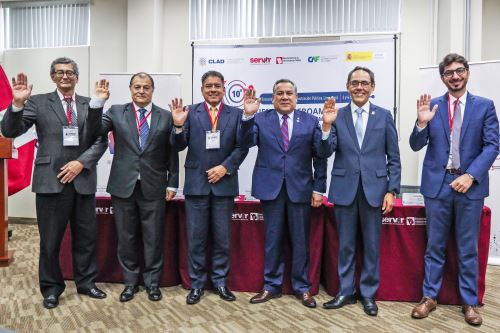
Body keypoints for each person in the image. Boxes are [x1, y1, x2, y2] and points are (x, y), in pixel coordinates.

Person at [0, 57, 109, 309]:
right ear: (52, 77)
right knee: (50, 240)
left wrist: (81, 163)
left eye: (70, 72)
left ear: (77, 77)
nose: (65, 76)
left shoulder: (90, 104)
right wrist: (16, 104)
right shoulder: (37, 102)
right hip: (50, 180)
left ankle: (86, 282)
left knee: (86, 237)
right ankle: (51, 288)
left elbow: (100, 139)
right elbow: (10, 131)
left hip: (82, 179)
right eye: (59, 72)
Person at [409, 53, 499, 326]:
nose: (455, 76)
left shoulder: (484, 106)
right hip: (437, 186)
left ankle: (469, 302)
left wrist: (471, 176)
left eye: (459, 71)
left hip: (469, 187)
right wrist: (422, 122)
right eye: (449, 73)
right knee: (434, 246)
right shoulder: (432, 106)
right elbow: (415, 144)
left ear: (467, 73)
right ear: (443, 77)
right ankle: (429, 297)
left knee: (467, 248)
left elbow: (493, 145)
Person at [239, 79, 330, 308]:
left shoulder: (310, 121)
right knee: (272, 241)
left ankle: (302, 287)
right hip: (271, 189)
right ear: (273, 98)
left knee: (300, 241)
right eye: (280, 93)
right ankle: (271, 285)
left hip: (301, 190)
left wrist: (319, 188)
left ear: (297, 98)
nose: (285, 97)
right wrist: (248, 117)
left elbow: (321, 154)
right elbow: (245, 142)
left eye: (289, 93)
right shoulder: (261, 119)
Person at [321, 66, 401, 316]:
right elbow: (325, 152)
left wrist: (392, 190)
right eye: (354, 83)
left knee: (371, 245)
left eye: (364, 83)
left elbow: (394, 159)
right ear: (347, 86)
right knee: (345, 245)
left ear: (372, 87)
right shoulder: (337, 116)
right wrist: (325, 126)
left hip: (375, 191)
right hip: (345, 189)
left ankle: (368, 294)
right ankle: (345, 291)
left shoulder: (384, 116)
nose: (359, 87)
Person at [95, 72, 179, 302]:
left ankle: (152, 283)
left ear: (153, 90)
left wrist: (173, 182)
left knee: (153, 238)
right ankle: (130, 283)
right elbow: (95, 131)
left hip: (154, 186)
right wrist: (98, 103)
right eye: (137, 87)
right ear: (130, 88)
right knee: (126, 237)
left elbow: (172, 152)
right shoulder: (115, 112)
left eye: (146, 87)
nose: (141, 91)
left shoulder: (166, 116)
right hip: (124, 186)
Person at [170, 70, 248, 305]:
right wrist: (176, 126)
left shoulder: (236, 114)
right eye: (208, 86)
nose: (213, 89)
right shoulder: (190, 112)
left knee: (223, 239)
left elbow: (243, 145)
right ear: (202, 89)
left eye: (217, 86)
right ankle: (196, 285)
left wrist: (225, 168)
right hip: (196, 185)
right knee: (196, 239)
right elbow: (177, 145)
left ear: (224, 88)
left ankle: (221, 282)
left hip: (224, 184)